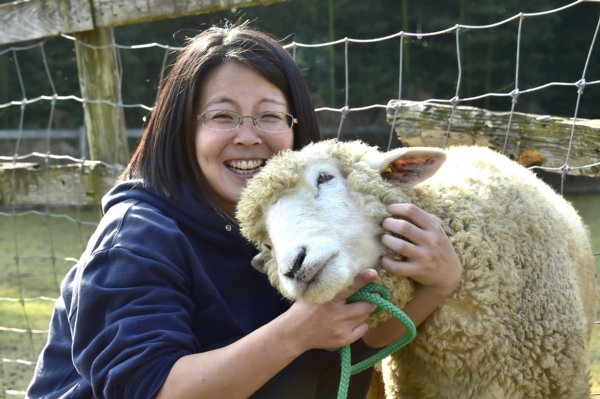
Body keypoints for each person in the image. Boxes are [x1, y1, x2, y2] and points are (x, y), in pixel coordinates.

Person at [27, 23, 462, 399]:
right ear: (184, 130)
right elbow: (152, 389)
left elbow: (347, 343)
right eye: (223, 117)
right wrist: (296, 332)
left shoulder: (293, 226)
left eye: (269, 116)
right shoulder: (137, 239)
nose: (249, 137)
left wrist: (438, 284)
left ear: (296, 127)